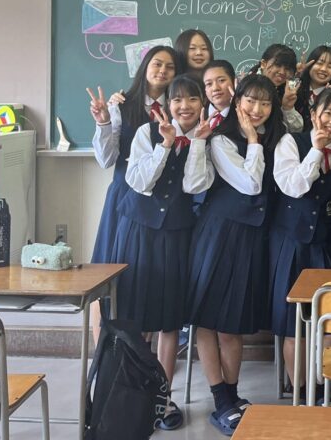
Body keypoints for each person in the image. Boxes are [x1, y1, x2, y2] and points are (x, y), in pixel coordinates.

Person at [186, 75, 286, 435]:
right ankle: (221, 400)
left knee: (233, 320)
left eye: (265, 103)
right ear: (237, 99)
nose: (257, 109)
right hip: (220, 233)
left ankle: (231, 395)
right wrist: (253, 141)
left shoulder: (277, 135)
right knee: (208, 317)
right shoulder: (221, 138)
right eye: (250, 101)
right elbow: (250, 184)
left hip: (250, 236)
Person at [120, 74, 214, 431]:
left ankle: (163, 395)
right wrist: (165, 145)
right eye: (177, 100)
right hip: (140, 230)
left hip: (177, 233)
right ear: (168, 104)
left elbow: (193, 185)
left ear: (202, 104)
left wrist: (197, 143)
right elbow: (139, 182)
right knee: (136, 313)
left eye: (192, 99)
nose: (184, 106)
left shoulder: (205, 138)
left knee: (170, 317)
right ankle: (136, 392)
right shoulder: (146, 132)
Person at [86, 44, 176, 335]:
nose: (162, 71)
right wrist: (103, 122)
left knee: (146, 279)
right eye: (157, 64)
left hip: (158, 203)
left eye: (170, 66)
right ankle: (103, 353)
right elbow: (106, 159)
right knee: (108, 274)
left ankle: (140, 355)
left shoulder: (178, 106)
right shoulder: (121, 104)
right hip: (123, 197)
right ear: (145, 67)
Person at [269, 88, 331, 394]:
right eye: (327, 113)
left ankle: (321, 389)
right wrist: (316, 150)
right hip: (293, 241)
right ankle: (301, 392)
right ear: (313, 114)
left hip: (329, 241)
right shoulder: (291, 142)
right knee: (294, 326)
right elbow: (294, 187)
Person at [254, 43, 305, 133]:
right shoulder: (247, 87)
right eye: (277, 65)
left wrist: (287, 108)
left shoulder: (287, 92)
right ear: (263, 64)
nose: (282, 72)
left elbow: (296, 131)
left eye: (287, 68)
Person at [294, 45, 331, 132]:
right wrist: (296, 75)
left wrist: (330, 98)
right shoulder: (295, 89)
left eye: (330, 66)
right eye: (319, 63)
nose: (324, 69)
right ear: (310, 65)